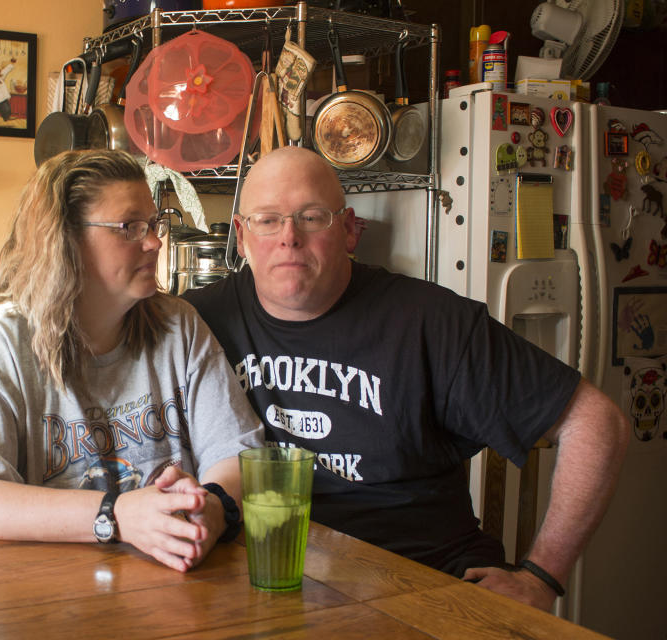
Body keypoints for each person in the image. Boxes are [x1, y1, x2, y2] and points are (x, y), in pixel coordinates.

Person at [182, 146, 629, 610]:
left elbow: (597, 423)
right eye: (267, 219)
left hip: (420, 584)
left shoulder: (430, 322)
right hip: (264, 580)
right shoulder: (194, 323)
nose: (288, 237)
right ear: (241, 234)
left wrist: (540, 577)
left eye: (312, 217)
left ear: (350, 230)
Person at [0, 149, 263, 572]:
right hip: (43, 600)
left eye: (155, 223)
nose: (155, 241)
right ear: (66, 240)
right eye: (130, 227)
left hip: (173, 591)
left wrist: (213, 507)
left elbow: (239, 453)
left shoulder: (179, 326)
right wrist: (116, 515)